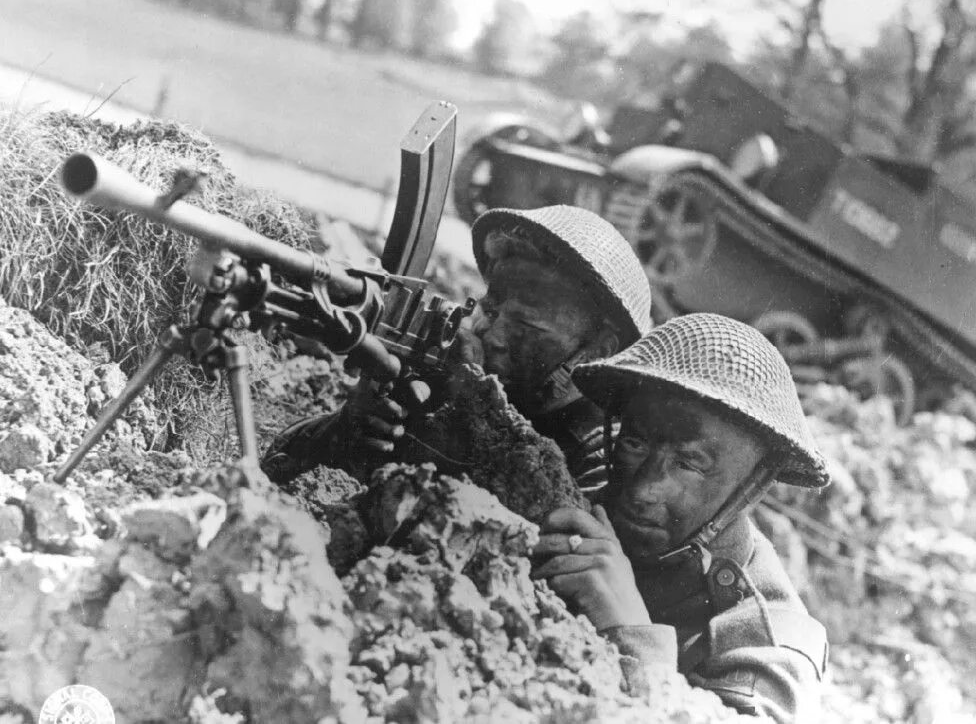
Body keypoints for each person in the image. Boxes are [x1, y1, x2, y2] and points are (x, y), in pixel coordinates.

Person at [532, 313, 829, 723]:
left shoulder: (768, 646)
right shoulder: (582, 490)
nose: (643, 490)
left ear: (754, 486)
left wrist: (631, 632)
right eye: (635, 442)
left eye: (691, 463)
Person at [262, 205, 653, 488]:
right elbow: (278, 459)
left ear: (600, 350)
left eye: (524, 326)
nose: (494, 336)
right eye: (491, 309)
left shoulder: (603, 455)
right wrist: (348, 428)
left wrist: (475, 413)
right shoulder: (449, 379)